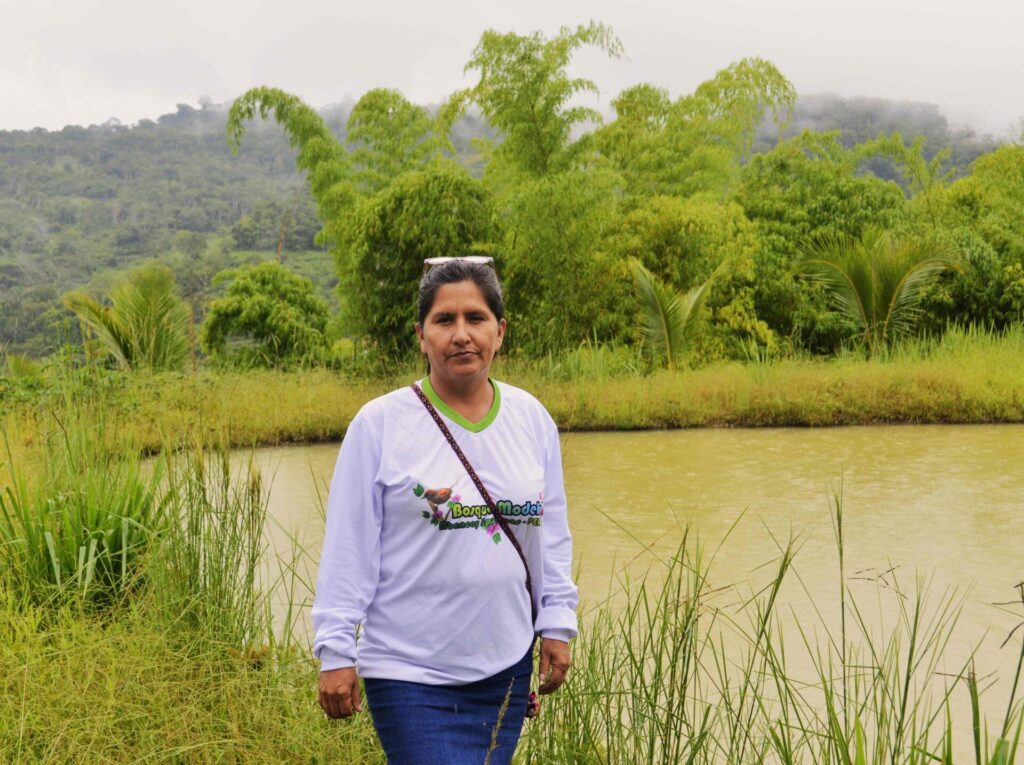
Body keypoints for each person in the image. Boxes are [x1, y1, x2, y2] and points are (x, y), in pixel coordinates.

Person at [312, 256, 579, 764]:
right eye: (444, 320)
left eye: (476, 319)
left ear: (499, 332)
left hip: (506, 665)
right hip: (410, 672)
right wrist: (336, 648)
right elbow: (349, 549)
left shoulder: (532, 419)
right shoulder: (380, 424)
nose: (462, 334)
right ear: (421, 335)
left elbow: (552, 535)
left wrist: (558, 622)